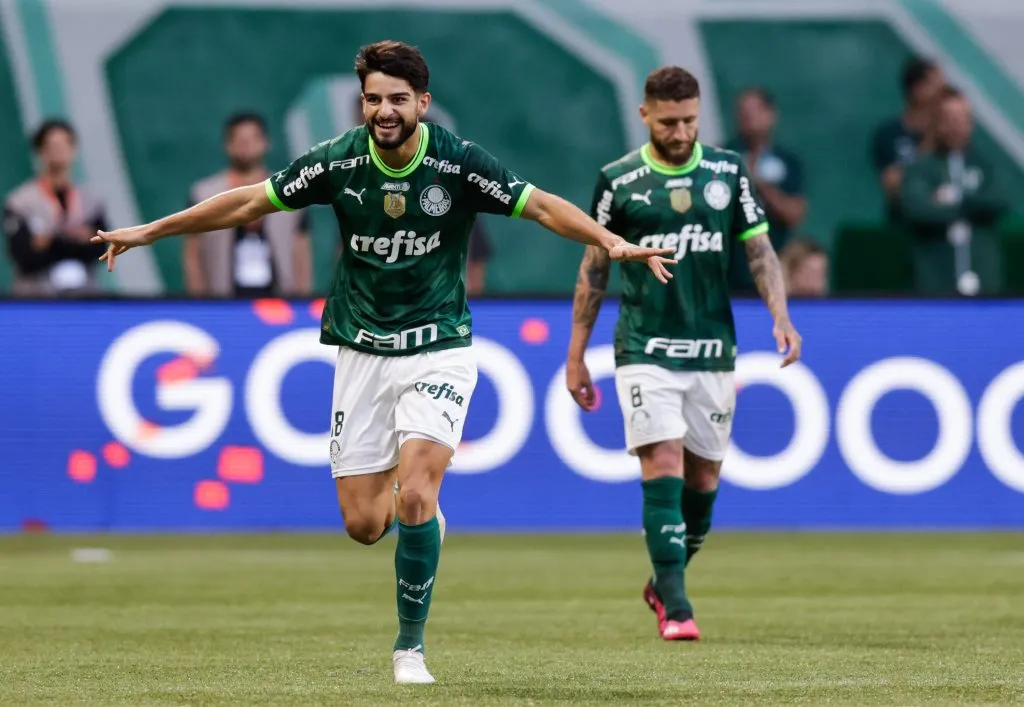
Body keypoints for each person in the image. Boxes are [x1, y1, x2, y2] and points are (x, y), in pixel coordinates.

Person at [92, 40, 673, 684]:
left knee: (418, 494)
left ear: (422, 103)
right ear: (362, 103)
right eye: (374, 99)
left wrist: (607, 238)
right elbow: (248, 201)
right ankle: (412, 514)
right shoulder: (338, 162)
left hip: (440, 347)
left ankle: (409, 647)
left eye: (398, 99)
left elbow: (537, 204)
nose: (385, 110)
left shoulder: (456, 164)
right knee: (365, 524)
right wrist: (150, 231)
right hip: (362, 351)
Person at [565, 66, 802, 641]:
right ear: (646, 115)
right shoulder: (619, 181)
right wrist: (577, 354)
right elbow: (594, 267)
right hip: (645, 345)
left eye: (690, 120)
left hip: (713, 347)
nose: (680, 131)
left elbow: (759, 250)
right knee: (663, 463)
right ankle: (676, 606)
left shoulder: (726, 171)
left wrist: (781, 315)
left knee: (703, 483)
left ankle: (661, 581)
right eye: (669, 121)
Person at [184, 113, 312, 297]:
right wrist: (199, 302)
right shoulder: (204, 194)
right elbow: (193, 254)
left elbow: (301, 251)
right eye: (239, 139)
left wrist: (302, 300)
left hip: (280, 303)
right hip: (222, 301)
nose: (246, 145)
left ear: (266, 143)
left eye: (253, 138)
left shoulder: (290, 191)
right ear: (227, 145)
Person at [900, 86, 1007, 295]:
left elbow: (999, 200)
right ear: (938, 123)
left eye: (963, 119)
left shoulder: (986, 164)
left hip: (983, 276)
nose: (957, 126)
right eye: (950, 119)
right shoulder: (922, 168)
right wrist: (972, 207)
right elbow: (917, 209)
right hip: (935, 278)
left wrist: (955, 199)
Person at [3, 119, 107, 296]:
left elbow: (100, 249)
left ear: (74, 149)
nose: (59, 151)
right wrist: (74, 238)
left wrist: (48, 241)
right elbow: (24, 255)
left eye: (65, 144)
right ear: (41, 151)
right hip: (35, 297)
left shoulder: (91, 201)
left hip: (84, 296)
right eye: (52, 145)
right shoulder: (20, 201)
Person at [725, 87, 807, 292]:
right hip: (729, 268)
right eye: (742, 112)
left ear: (771, 114)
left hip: (774, 265)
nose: (747, 118)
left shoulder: (787, 162)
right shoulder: (721, 158)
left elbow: (794, 214)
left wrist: (760, 185)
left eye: (754, 111)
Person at [870, 57, 946, 220]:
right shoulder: (888, 135)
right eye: (938, 85)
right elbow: (893, 188)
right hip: (902, 226)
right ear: (918, 89)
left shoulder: (948, 137)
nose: (944, 93)